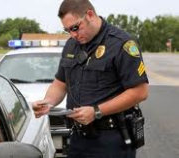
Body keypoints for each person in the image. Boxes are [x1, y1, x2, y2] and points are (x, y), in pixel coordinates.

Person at [32, 0, 149, 157]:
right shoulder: (71, 46)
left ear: (90, 15)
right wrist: (49, 102)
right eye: (68, 30)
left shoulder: (121, 43)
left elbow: (140, 92)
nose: (73, 34)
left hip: (111, 140)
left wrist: (97, 111)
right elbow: (60, 84)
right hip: (78, 138)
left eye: (75, 27)